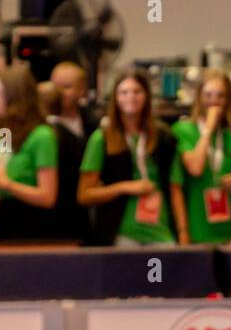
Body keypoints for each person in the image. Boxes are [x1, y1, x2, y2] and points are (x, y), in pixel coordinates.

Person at [78, 69, 185, 246]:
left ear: (147, 96)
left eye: (137, 91)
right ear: (115, 98)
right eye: (124, 92)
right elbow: (84, 195)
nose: (131, 97)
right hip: (121, 231)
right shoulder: (102, 138)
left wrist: (182, 233)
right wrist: (124, 187)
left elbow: (175, 189)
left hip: (161, 230)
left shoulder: (164, 137)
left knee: (160, 272)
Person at [0, 66, 59, 241]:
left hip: (30, 229)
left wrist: (6, 184)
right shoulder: (4, 132)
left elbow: (47, 196)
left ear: (14, 97)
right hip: (1, 224)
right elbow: (2, 166)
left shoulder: (41, 136)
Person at [172, 69, 231, 245]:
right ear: (199, 97)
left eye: (220, 95)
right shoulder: (183, 130)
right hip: (199, 230)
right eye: (208, 95)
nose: (214, 101)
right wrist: (208, 128)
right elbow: (195, 167)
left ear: (228, 100)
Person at [42, 63, 98, 242]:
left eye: (66, 87)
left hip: (82, 217)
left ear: (82, 90)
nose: (58, 93)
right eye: (54, 86)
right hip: (48, 218)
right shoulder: (36, 126)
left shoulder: (94, 124)